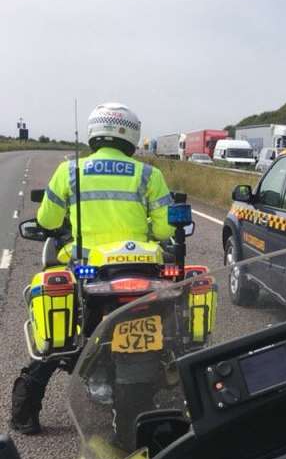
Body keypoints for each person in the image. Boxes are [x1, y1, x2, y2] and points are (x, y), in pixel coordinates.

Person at [9, 102, 175, 434]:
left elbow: (48, 221)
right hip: (141, 270)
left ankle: (24, 417)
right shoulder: (149, 174)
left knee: (56, 341)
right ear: (131, 136)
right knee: (175, 330)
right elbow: (165, 230)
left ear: (94, 133)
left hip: (87, 269)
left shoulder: (70, 171)